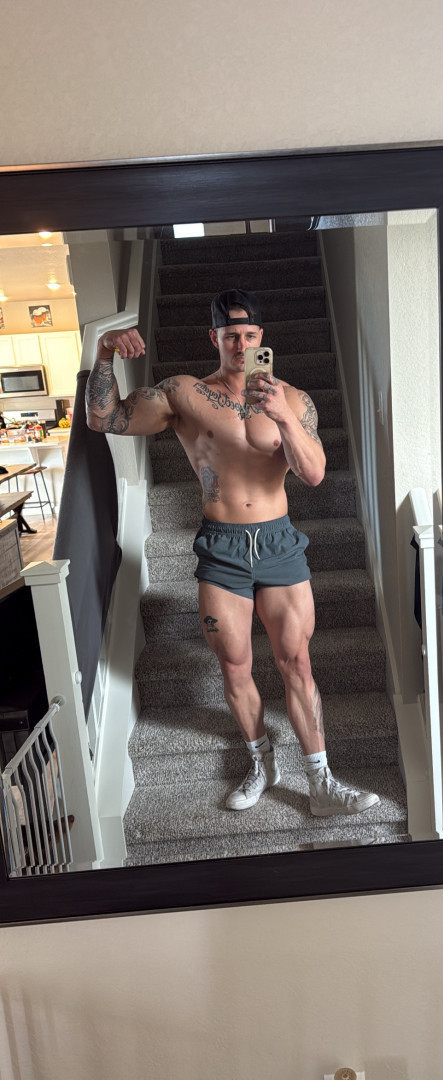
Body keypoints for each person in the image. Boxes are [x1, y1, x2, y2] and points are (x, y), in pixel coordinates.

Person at [86, 288, 379, 818]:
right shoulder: (185, 393)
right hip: (222, 547)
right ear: (214, 338)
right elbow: (104, 419)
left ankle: (321, 782)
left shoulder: (295, 399)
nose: (241, 346)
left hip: (279, 543)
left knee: (297, 661)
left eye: (249, 336)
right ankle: (262, 764)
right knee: (236, 666)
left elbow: (314, 474)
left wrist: (282, 417)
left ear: (261, 337)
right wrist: (103, 353)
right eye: (230, 337)